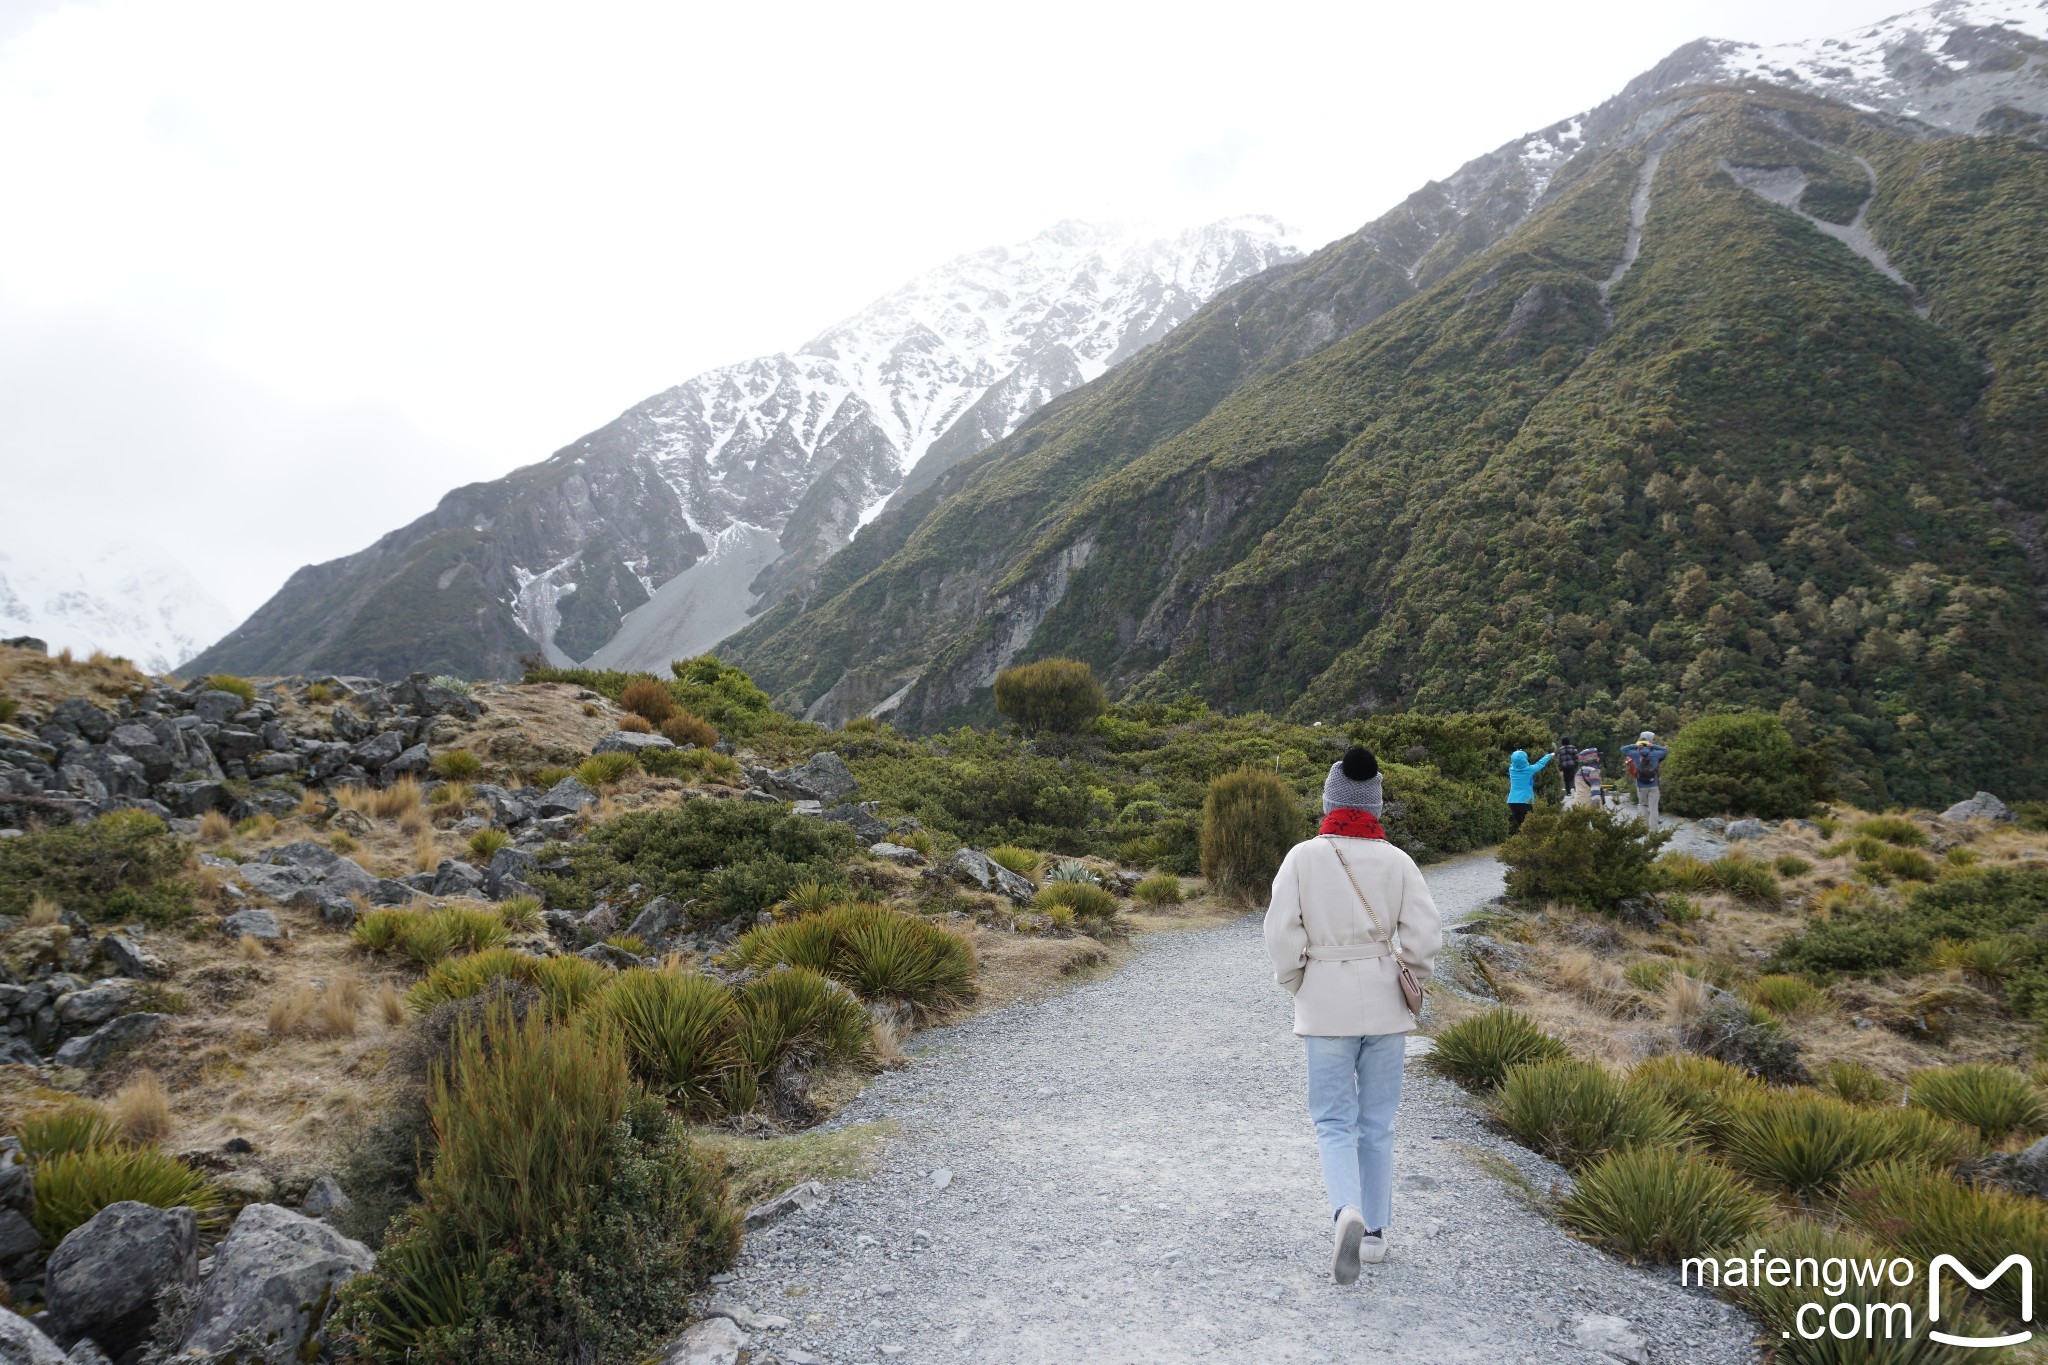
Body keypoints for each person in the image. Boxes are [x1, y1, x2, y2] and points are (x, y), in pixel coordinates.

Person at [1264, 746, 1443, 1285]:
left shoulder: (1302, 857)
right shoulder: (1398, 861)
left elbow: (1280, 933)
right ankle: (1375, 1235)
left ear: (1330, 800)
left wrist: (1297, 981)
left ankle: (1346, 1211)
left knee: (1333, 1120)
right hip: (1387, 1008)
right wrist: (1411, 978)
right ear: (1376, 804)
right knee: (1377, 1123)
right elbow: (1425, 935)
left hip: (1325, 1004)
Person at [1621, 730, 1670, 830]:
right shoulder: (1655, 753)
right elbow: (1666, 751)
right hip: (1654, 784)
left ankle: (1643, 829)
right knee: (1653, 808)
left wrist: (1636, 745)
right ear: (1650, 740)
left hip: (1640, 784)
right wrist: (1654, 746)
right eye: (1653, 739)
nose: (1655, 740)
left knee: (1642, 805)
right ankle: (1653, 833)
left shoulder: (1635, 753)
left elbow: (1623, 748)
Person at [1505, 746, 1552, 833]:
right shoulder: (1529, 769)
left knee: (1520, 826)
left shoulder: (1511, 769)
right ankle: (1528, 843)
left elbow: (1515, 762)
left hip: (1512, 800)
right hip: (1525, 800)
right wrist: (1549, 755)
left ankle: (1519, 843)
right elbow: (1540, 764)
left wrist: (1517, 755)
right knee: (1528, 825)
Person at [1554, 735, 1579, 808]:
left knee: (1566, 779)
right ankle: (1573, 789)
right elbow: (1577, 757)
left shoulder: (1560, 749)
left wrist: (1559, 767)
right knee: (1572, 778)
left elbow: (1559, 759)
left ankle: (1568, 792)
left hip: (1564, 766)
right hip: (1572, 765)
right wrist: (1576, 763)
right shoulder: (1573, 747)